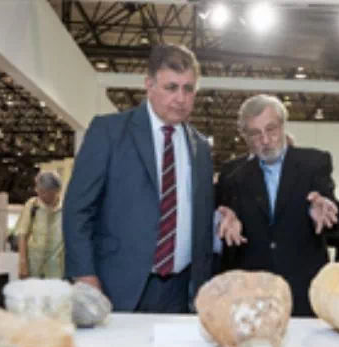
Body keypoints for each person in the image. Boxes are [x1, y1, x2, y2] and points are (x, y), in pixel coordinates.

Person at [64, 44, 231, 313]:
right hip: (116, 288)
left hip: (182, 292)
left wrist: (223, 215)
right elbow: (77, 210)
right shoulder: (109, 132)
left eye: (188, 89)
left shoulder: (200, 146)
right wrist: (85, 277)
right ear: (149, 85)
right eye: (171, 87)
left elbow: (197, 212)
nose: (180, 98)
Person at [219, 94, 339, 316]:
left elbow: (332, 221)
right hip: (252, 291)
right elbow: (223, 219)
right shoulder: (232, 174)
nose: (265, 140)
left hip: (304, 290)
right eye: (255, 133)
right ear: (245, 136)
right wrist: (225, 218)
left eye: (271, 129)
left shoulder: (314, 163)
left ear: (283, 126)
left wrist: (322, 207)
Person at [16, 171, 64, 279]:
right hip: (33, 267)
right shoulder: (32, 205)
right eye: (39, 190)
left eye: (44, 192)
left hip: (56, 269)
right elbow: (22, 234)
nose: (40, 195)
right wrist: (23, 263)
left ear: (56, 191)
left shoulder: (66, 209)